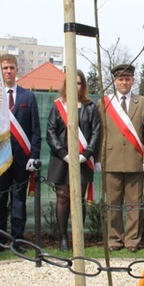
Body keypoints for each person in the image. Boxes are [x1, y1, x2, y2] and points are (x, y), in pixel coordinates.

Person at [96, 64, 144, 252]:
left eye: (127, 79)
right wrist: (98, 158)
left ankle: (132, 241)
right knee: (113, 204)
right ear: (114, 81)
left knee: (134, 203)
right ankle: (114, 239)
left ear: (133, 81)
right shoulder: (105, 103)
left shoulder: (142, 102)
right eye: (120, 79)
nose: (124, 82)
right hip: (111, 159)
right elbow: (100, 133)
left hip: (136, 159)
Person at [47, 69, 101, 251]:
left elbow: (96, 132)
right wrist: (64, 154)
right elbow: (51, 132)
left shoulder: (91, 107)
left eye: (78, 83)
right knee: (63, 199)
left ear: (83, 85)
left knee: (79, 199)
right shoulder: (57, 106)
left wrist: (86, 154)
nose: (75, 86)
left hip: (82, 160)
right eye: (72, 82)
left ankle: (78, 236)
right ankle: (63, 238)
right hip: (61, 159)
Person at [0, 54, 41, 252]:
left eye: (11, 67)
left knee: (19, 202)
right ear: (0, 71)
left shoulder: (27, 96)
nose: (8, 71)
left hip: (22, 160)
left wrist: (34, 156)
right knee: (0, 200)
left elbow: (35, 130)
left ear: (17, 70)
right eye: (5, 68)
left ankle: (18, 240)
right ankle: (0, 239)